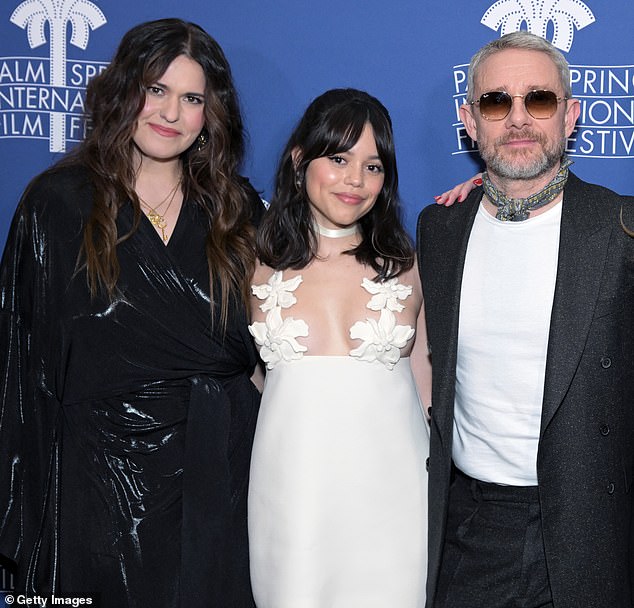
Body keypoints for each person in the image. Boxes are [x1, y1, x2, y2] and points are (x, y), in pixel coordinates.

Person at [0, 18, 263, 608]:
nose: (171, 113)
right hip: (98, 485)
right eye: (156, 89)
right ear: (124, 92)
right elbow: (21, 364)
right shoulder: (59, 203)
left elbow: (313, 288)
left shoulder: (236, 209)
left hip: (218, 477)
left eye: (192, 98)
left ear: (209, 115)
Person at [417, 31, 634, 608]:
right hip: (472, 524)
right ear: (469, 120)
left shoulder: (620, 228)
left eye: (538, 100)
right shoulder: (440, 229)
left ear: (571, 116)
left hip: (594, 521)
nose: (517, 119)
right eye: (496, 102)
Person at [247, 88, 431, 607]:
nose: (355, 180)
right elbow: (249, 378)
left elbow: (428, 380)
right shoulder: (250, 263)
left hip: (395, 494)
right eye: (339, 158)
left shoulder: (411, 265)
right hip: (292, 490)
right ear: (300, 159)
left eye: (373, 167)